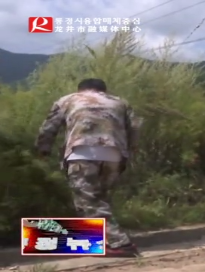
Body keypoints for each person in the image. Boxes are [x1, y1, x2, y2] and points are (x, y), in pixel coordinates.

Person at [34, 78, 142, 257]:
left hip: (82, 154)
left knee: (89, 202)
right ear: (104, 91)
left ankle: (121, 243)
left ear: (80, 89)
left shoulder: (67, 100)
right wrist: (130, 150)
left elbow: (48, 128)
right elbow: (135, 127)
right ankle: (102, 242)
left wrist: (43, 150)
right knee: (102, 200)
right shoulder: (120, 102)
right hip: (114, 156)